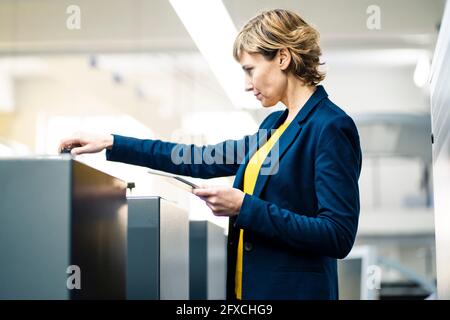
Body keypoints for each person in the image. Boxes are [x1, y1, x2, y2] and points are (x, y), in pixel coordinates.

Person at [59, 9, 362, 300]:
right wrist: (112, 142)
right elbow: (198, 158)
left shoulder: (330, 127)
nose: (246, 85)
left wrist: (245, 207)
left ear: (282, 57)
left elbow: (337, 234)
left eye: (250, 70)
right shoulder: (275, 126)